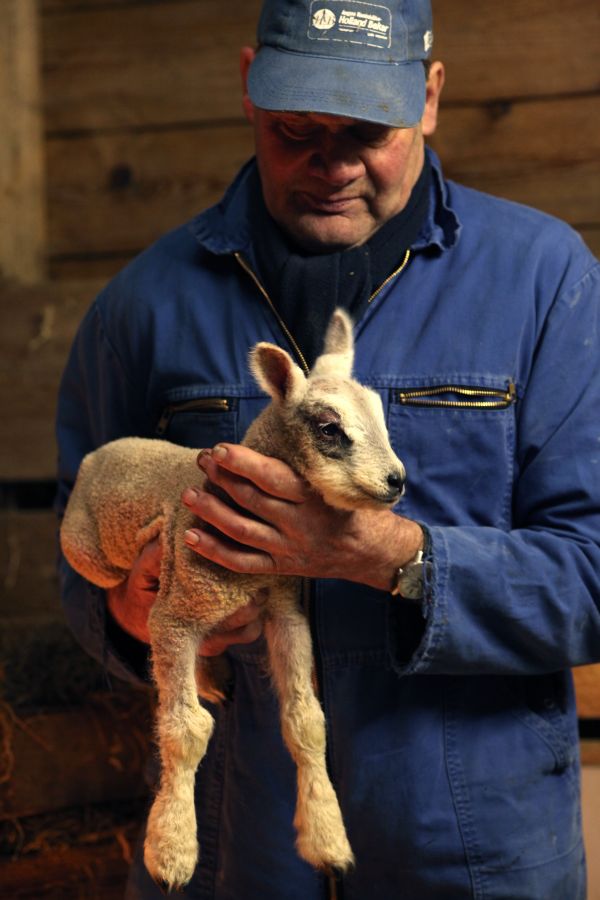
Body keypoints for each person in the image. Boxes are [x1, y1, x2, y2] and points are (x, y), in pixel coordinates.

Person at [56, 0, 600, 897]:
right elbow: (81, 564)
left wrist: (388, 556)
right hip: (237, 856)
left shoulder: (547, 284)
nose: (332, 165)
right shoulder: (142, 307)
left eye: (367, 130)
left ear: (429, 97)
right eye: (297, 129)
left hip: (469, 856)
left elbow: (590, 577)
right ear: (247, 87)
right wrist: (133, 606)